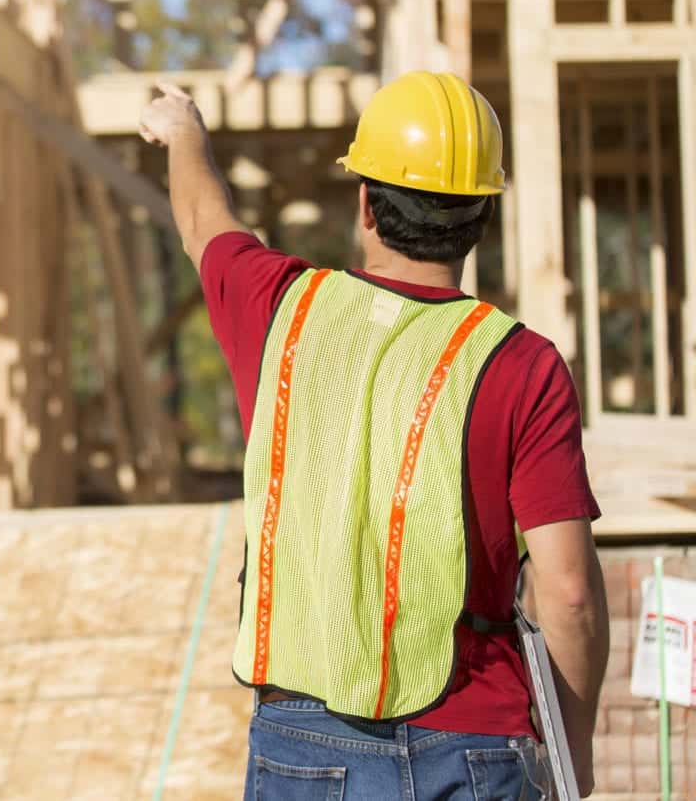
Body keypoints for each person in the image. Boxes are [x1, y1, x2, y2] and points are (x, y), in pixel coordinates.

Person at [139, 72, 610, 799]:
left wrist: (183, 132)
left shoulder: (280, 313)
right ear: (485, 211)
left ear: (365, 202)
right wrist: (572, 757)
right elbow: (569, 592)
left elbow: (204, 219)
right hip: (476, 743)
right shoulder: (523, 363)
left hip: (303, 742)